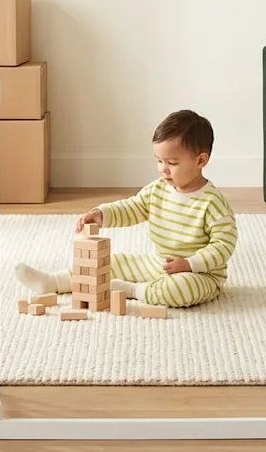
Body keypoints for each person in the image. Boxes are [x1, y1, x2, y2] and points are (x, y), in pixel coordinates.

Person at [14, 109, 238, 308]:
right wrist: (103, 214)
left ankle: (132, 290)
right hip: (159, 263)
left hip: (199, 274)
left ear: (201, 161)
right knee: (113, 261)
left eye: (172, 163)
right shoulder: (157, 189)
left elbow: (223, 245)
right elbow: (133, 207)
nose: (163, 169)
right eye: (158, 160)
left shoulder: (212, 203)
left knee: (179, 290)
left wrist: (189, 264)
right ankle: (54, 282)